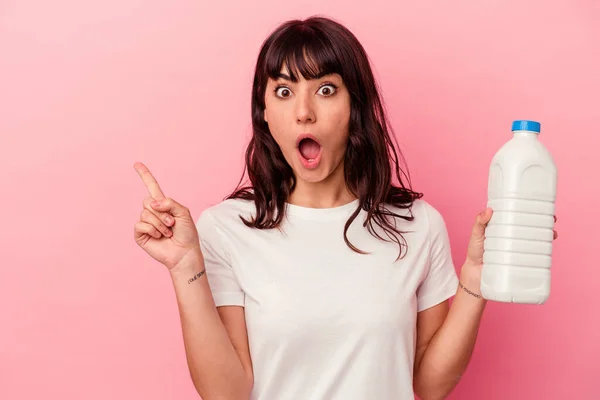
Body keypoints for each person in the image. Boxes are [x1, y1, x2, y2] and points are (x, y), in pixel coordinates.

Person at [133, 16, 557, 400]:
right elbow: (227, 394)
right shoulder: (227, 229)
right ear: (265, 114)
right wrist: (185, 265)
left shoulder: (416, 225)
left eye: (325, 89)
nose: (303, 112)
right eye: (283, 91)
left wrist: (474, 283)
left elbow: (426, 386)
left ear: (356, 106)